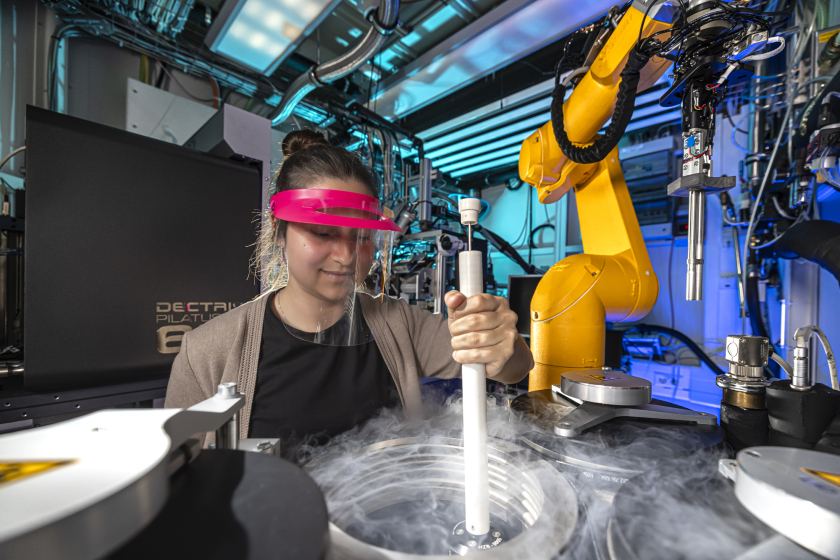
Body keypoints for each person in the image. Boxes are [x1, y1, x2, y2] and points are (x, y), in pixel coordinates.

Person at [164, 130, 533, 456]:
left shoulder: (397, 323)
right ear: (280, 231)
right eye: (322, 233)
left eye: (362, 236)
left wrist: (501, 343)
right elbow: (178, 488)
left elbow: (514, 369)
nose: (345, 256)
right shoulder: (207, 354)